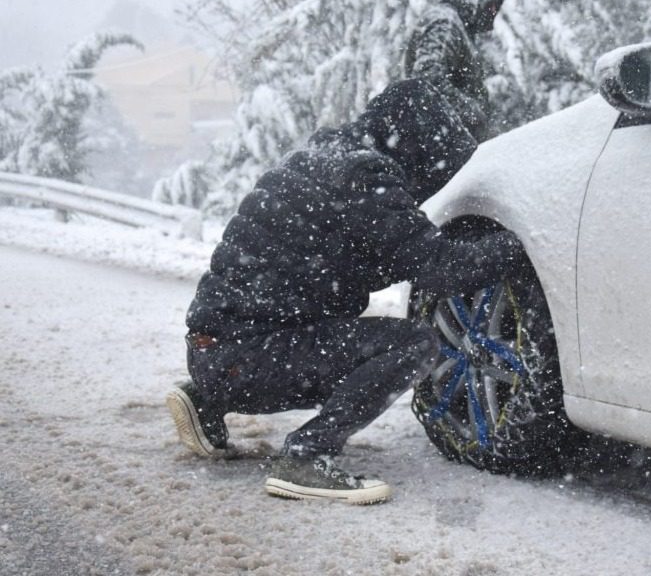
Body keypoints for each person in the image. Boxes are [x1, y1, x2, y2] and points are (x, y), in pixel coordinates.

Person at [165, 79, 524, 505]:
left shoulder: (325, 161)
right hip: (249, 356)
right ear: (414, 147)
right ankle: (305, 456)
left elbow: (362, 258)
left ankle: (206, 397)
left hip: (217, 350)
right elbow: (440, 269)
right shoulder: (366, 181)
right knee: (413, 344)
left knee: (321, 331)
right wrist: (524, 240)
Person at [404, 0, 510, 143]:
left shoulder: (456, 25)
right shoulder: (447, 23)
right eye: (491, 5)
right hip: (441, 146)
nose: (493, 13)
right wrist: (472, 113)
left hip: (446, 143)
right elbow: (426, 78)